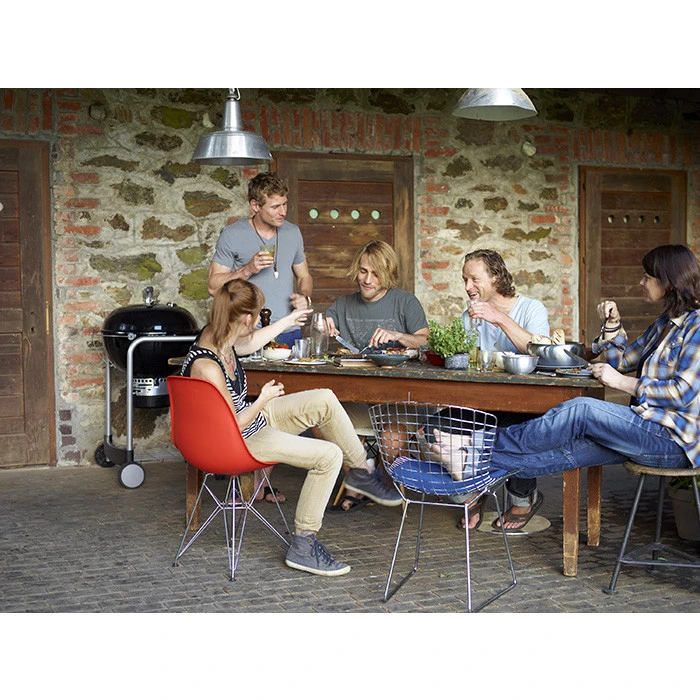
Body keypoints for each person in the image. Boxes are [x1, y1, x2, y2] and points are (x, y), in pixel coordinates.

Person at [180, 279, 382, 576]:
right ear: (246, 318)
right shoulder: (207, 367)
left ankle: (361, 473)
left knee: (325, 399)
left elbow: (249, 343)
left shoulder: (219, 335)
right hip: (236, 440)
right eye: (257, 314)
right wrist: (263, 398)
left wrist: (289, 320)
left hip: (250, 423)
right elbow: (232, 423)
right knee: (328, 456)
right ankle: (303, 546)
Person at [473, 245, 700, 508]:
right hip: (645, 428)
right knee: (565, 452)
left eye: (647, 277)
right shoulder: (664, 323)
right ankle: (467, 460)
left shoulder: (696, 326)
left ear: (669, 283)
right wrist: (612, 324)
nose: (641, 282)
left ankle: (474, 444)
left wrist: (621, 382)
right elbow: (622, 361)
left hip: (673, 441)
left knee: (581, 410)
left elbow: (682, 393)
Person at [324, 240, 430, 511]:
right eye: (363, 271)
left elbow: (425, 341)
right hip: (361, 401)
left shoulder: (405, 302)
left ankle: (382, 485)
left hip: (402, 403)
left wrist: (397, 335)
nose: (367, 280)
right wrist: (323, 325)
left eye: (376, 274)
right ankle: (362, 477)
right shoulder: (343, 304)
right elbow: (325, 324)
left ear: (388, 274)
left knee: (390, 439)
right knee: (320, 418)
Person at [459, 249, 550, 531]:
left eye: (474, 279)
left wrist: (498, 318)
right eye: (464, 279)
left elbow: (541, 352)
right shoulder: (468, 316)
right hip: (480, 400)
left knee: (516, 430)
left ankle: (523, 499)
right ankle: (472, 492)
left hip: (525, 402)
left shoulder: (531, 309)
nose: (468, 286)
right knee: (439, 427)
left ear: (496, 277)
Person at [207, 173, 313, 348]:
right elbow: (213, 288)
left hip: (288, 330)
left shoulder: (293, 232)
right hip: (247, 332)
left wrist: (304, 298)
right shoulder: (232, 234)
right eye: (275, 207)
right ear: (255, 205)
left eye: (285, 204)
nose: (283, 212)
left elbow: (304, 276)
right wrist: (247, 269)